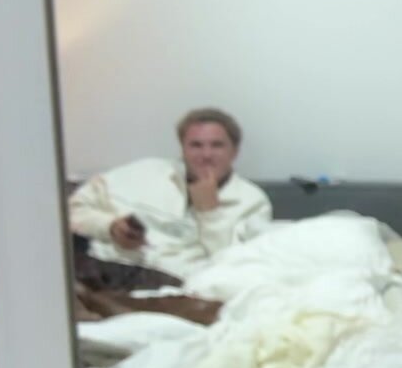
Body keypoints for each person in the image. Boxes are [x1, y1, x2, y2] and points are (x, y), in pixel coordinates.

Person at [67, 108, 272, 279]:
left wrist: (210, 214)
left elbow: (237, 266)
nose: (206, 155)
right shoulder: (144, 172)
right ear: (183, 149)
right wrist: (110, 227)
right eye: (196, 145)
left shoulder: (253, 201)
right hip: (111, 271)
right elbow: (70, 210)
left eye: (217, 145)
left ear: (234, 151)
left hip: (184, 285)